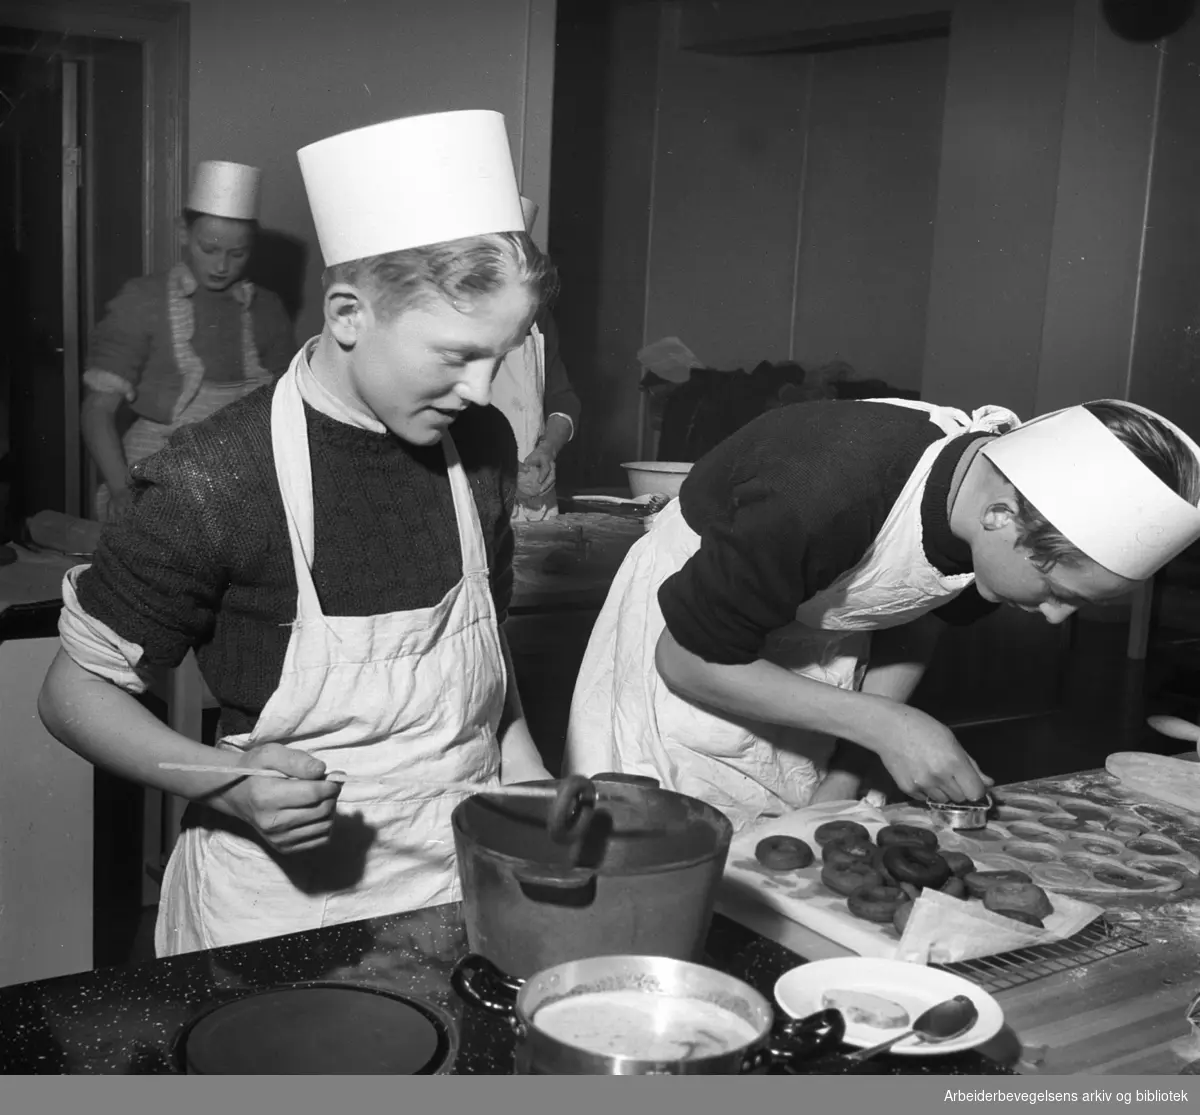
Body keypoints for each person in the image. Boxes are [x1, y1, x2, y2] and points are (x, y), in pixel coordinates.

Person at [38, 110, 555, 956]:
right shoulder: (216, 478)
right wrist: (228, 781)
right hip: (279, 913)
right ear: (349, 312)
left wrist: (531, 796)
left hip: (455, 884)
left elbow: (487, 661)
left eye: (501, 355)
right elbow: (71, 693)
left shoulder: (483, 448)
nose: (481, 387)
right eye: (457, 353)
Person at [564, 396, 1200, 833]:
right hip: (690, 647)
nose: (1057, 618)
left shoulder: (984, 520)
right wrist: (889, 726)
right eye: (1061, 591)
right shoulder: (822, 489)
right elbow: (688, 659)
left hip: (821, 649)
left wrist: (839, 782)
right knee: (667, 857)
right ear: (1002, 516)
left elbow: (916, 612)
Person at [81, 160, 295, 523]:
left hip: (241, 472)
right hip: (152, 468)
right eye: (208, 248)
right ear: (183, 232)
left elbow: (288, 408)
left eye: (237, 253)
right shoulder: (143, 300)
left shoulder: (267, 308)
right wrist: (120, 489)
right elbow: (97, 411)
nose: (222, 266)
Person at [489, 196, 581, 521]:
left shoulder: (539, 319)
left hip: (537, 494)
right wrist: (505, 472)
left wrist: (546, 449)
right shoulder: (462, 329)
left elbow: (563, 399)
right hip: (481, 493)